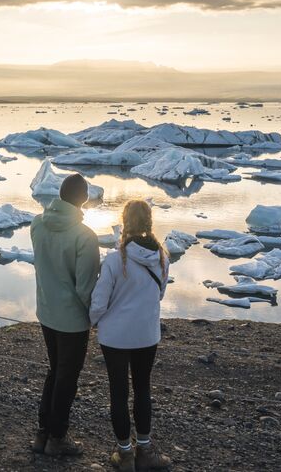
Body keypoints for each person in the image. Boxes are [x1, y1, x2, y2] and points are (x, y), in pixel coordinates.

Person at [89, 200, 173, 471]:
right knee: (142, 388)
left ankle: (125, 454)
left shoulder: (114, 261)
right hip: (146, 335)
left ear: (125, 222)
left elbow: (99, 301)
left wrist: (93, 322)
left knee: (118, 391)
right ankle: (145, 451)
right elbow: (160, 294)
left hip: (114, 337)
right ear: (149, 222)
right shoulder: (162, 258)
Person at [30, 173, 100, 456]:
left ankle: (43, 433)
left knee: (54, 370)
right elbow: (85, 288)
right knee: (67, 378)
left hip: (46, 313)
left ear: (60, 194)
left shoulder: (37, 224)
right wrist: (95, 316)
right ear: (84, 199)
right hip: (72, 321)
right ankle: (57, 438)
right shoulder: (85, 237)